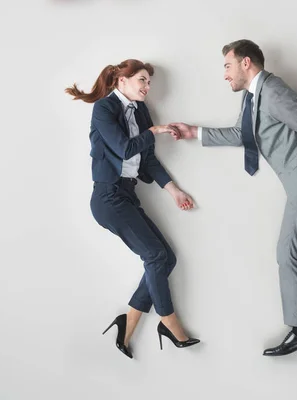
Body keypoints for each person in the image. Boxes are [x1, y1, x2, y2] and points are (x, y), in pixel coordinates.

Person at [170, 40, 297, 357]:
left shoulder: (272, 90)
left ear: (245, 63)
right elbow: (244, 135)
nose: (225, 75)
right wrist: (193, 132)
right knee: (287, 255)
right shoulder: (252, 97)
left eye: (227, 66)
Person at [65, 59, 200, 359]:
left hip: (127, 195)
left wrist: (174, 191)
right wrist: (153, 131)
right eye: (142, 80)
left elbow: (147, 159)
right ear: (121, 81)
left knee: (167, 259)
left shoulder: (140, 110)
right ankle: (169, 321)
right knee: (154, 256)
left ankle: (129, 322)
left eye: (149, 82)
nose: (147, 87)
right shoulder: (103, 109)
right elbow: (124, 148)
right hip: (107, 198)